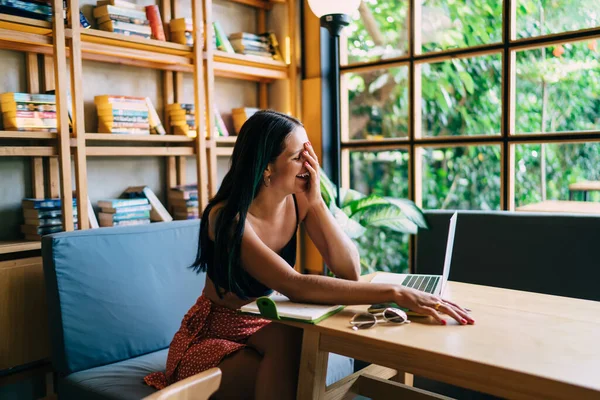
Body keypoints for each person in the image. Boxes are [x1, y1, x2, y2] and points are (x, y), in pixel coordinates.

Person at [144, 110, 475, 399]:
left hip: (263, 323)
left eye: (310, 154)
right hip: (214, 333)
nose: (309, 164)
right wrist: (394, 292)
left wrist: (316, 203)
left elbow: (349, 269)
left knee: (294, 341)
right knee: (284, 364)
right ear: (266, 169)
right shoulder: (228, 219)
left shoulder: (299, 200)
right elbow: (294, 284)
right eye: (298, 156)